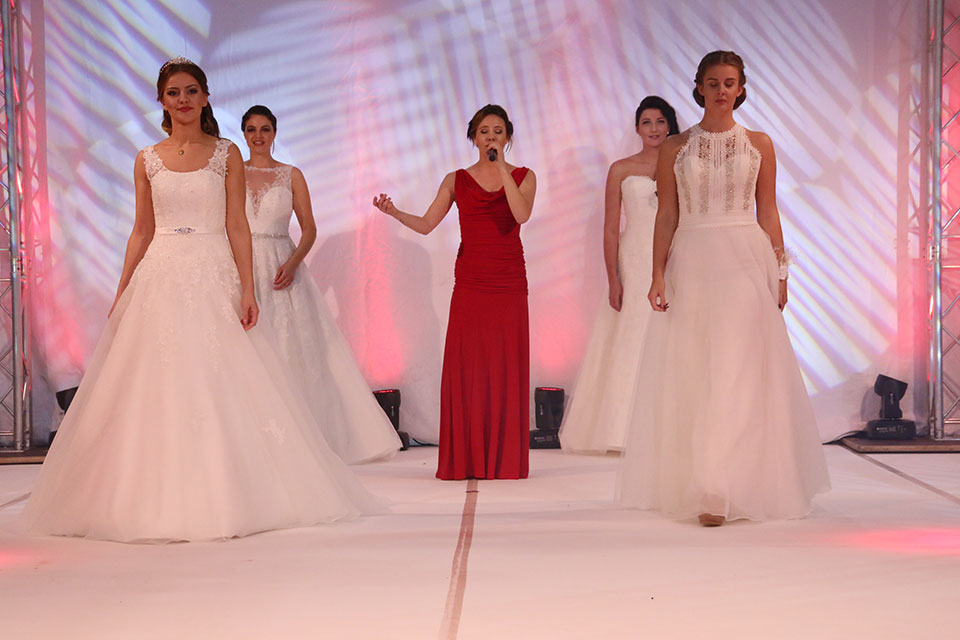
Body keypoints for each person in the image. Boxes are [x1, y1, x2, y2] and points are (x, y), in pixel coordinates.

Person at [21, 58, 378, 543]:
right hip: (161, 272)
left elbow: (237, 224)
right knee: (156, 379)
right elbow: (141, 229)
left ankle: (231, 490)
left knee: (220, 375)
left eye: (191, 91)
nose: (183, 100)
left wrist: (248, 288)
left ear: (206, 97)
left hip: (213, 269)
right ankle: (146, 494)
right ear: (162, 101)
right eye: (174, 93)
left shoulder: (226, 153)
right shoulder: (147, 158)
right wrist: (122, 289)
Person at [615, 51, 830, 525]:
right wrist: (656, 273)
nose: (721, 91)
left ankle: (729, 485)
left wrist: (781, 271)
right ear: (699, 87)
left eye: (729, 83)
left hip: (744, 259)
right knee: (698, 368)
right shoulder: (675, 147)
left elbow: (767, 210)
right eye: (713, 83)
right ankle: (706, 484)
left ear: (741, 88)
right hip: (692, 258)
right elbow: (667, 214)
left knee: (740, 369)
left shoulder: (759, 144)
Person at [373, 104, 536, 480]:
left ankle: (503, 457)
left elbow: (521, 214)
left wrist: (502, 170)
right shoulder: (456, 180)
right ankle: (469, 455)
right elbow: (427, 224)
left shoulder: (525, 176)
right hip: (472, 281)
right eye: (484, 131)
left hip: (508, 279)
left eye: (498, 131)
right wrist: (394, 212)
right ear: (473, 137)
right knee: (471, 366)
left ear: (508, 137)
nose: (491, 137)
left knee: (504, 364)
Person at [241, 105, 401, 464]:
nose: (258, 136)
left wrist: (293, 262)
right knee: (251, 348)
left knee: (292, 347)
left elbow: (309, 228)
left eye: (265, 129)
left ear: (274, 132)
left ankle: (304, 439)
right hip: (244, 263)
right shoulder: (234, 173)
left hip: (282, 263)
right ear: (244, 133)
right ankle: (256, 438)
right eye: (251, 129)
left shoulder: (291, 174)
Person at [560, 96, 679, 454]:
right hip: (635, 257)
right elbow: (611, 228)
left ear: (670, 125)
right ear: (637, 128)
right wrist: (613, 278)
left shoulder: (683, 164)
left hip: (675, 256)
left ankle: (669, 427)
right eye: (647, 122)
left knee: (672, 335)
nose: (654, 129)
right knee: (633, 334)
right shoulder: (621, 169)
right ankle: (622, 429)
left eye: (660, 121)